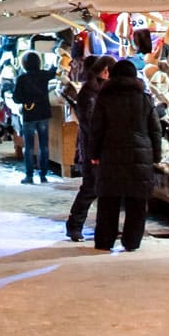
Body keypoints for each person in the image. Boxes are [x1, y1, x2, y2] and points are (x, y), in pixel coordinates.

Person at [89, 58, 163, 252]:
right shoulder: (144, 98)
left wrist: (93, 154)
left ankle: (105, 241)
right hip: (140, 157)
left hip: (110, 154)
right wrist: (156, 156)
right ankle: (132, 241)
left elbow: (96, 129)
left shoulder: (104, 98)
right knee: (137, 202)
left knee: (108, 201)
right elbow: (155, 130)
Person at [64, 55, 114, 240]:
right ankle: (74, 226)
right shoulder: (90, 93)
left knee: (104, 189)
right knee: (90, 187)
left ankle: (104, 226)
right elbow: (90, 123)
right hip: (93, 148)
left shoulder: (102, 90)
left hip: (103, 147)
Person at [12, 50, 57, 184]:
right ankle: (43, 175)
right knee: (44, 146)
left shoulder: (22, 78)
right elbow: (53, 71)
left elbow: (16, 98)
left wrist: (27, 99)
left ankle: (29, 175)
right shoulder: (44, 75)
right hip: (43, 113)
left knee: (29, 147)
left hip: (29, 114)